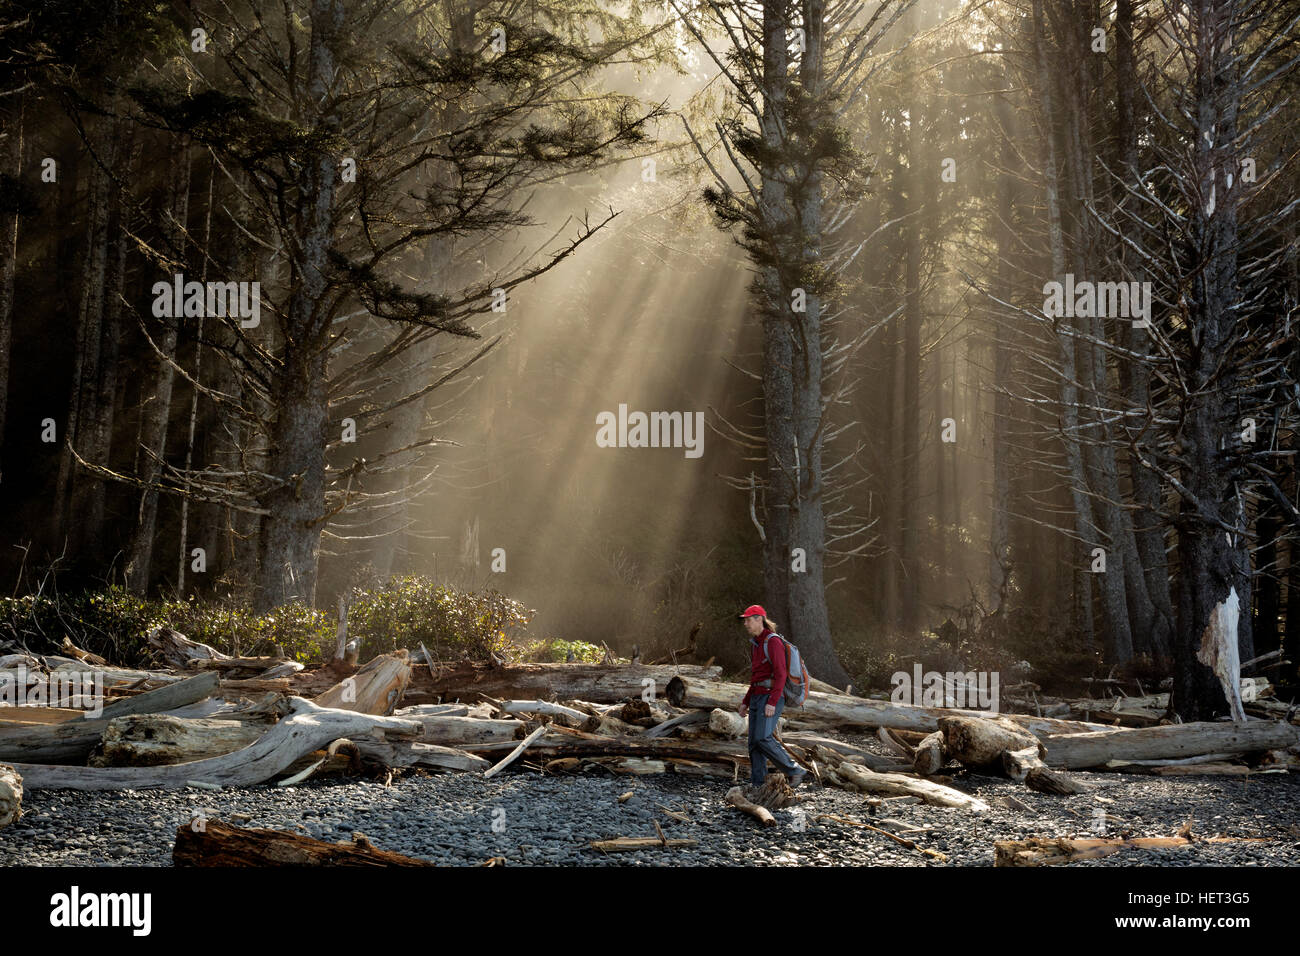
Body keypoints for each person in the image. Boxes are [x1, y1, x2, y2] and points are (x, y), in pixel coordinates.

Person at [737, 604, 806, 788]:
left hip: (770, 697)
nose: (746, 623)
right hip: (757, 697)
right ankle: (758, 785)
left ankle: (794, 770)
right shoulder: (756, 644)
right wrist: (745, 702)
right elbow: (756, 678)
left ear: (760, 619)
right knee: (753, 743)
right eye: (745, 620)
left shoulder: (772, 642)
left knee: (763, 738)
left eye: (749, 619)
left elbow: (781, 674)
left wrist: (773, 702)